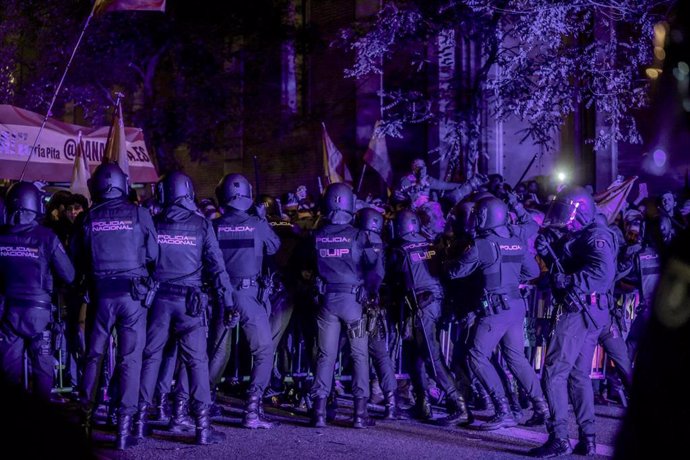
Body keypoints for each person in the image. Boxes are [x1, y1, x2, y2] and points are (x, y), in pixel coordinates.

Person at [134, 172, 231, 444]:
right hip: (190, 303)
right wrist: (228, 300)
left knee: (151, 357)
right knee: (196, 362)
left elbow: (144, 261)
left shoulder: (153, 223)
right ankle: (202, 427)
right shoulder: (201, 225)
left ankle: (140, 421)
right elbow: (217, 268)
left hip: (159, 302)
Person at [74, 163, 159, 450]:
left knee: (93, 358)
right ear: (123, 184)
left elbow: (78, 258)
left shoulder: (87, 217)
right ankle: (123, 430)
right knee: (130, 360)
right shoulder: (139, 214)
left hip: (100, 296)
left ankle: (85, 422)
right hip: (132, 297)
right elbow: (153, 255)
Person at [446, 197, 548, 430]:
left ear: (486, 216)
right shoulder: (515, 241)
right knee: (516, 357)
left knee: (476, 355)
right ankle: (541, 407)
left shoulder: (482, 245)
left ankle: (503, 410)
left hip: (495, 309)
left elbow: (455, 271)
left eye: (479, 214)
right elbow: (531, 271)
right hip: (515, 304)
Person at [530, 186, 616, 457]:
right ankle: (587, 438)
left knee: (554, 373)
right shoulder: (584, 233)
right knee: (579, 376)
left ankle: (559, 438)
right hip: (586, 310)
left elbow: (602, 273)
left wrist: (568, 280)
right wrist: (548, 251)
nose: (566, 221)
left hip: (579, 310)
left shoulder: (597, 236)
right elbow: (569, 260)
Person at [208, 173, 280, 429]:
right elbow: (274, 246)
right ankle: (252, 409)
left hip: (223, 295)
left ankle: (204, 404)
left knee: (218, 351)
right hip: (249, 295)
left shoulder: (214, 226)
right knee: (263, 351)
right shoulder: (256, 224)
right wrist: (260, 220)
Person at [309, 183, 383, 428]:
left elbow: (310, 268)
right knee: (360, 355)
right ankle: (359, 415)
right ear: (350, 205)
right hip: (354, 305)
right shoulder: (360, 235)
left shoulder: (318, 234)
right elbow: (376, 269)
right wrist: (369, 288)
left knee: (325, 356)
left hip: (327, 303)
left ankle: (319, 412)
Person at [388, 209, 470, 426]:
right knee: (416, 357)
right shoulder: (430, 245)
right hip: (434, 302)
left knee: (432, 358)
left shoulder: (399, 249)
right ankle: (422, 405)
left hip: (420, 305)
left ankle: (458, 404)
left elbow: (391, 278)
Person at [0, 182, 75, 399]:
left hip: (8, 314)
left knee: (8, 376)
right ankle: (41, 422)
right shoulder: (47, 237)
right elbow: (69, 275)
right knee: (43, 372)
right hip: (39, 314)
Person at [354, 207, 400, 419]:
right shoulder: (384, 245)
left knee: (351, 353)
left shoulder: (354, 239)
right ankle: (391, 404)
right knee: (381, 355)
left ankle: (354, 404)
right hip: (376, 307)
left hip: (355, 303)